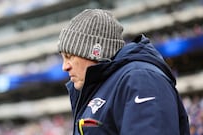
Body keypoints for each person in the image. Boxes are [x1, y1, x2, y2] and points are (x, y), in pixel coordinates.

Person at [58, 9, 190, 135]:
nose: (65, 67)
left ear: (95, 52)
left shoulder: (141, 79)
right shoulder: (105, 87)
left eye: (69, 56)